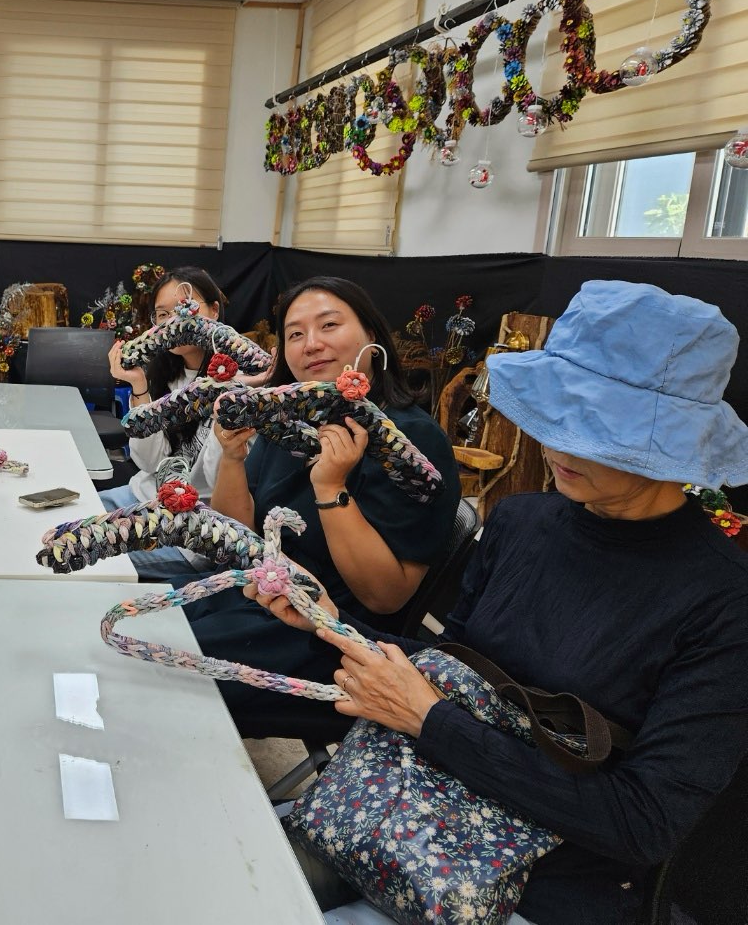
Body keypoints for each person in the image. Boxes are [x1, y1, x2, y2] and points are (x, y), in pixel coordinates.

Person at [252, 280, 748, 924]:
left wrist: (432, 722)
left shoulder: (721, 603)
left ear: (673, 441)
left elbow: (642, 824)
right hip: (411, 804)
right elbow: (455, 666)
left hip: (529, 881)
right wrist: (328, 618)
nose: (558, 446)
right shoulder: (521, 523)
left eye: (595, 427)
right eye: (556, 412)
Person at [187, 276, 461, 724]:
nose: (311, 344)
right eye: (295, 334)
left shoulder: (409, 441)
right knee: (140, 639)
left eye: (329, 325)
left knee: (156, 685)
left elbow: (384, 597)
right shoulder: (291, 419)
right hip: (258, 599)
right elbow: (235, 541)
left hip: (334, 641)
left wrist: (331, 488)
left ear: (371, 335)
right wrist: (233, 459)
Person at [101, 267, 252, 580]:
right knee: (58, 523)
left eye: (186, 308)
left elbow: (213, 479)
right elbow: (147, 461)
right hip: (140, 498)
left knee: (93, 561)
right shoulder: (163, 374)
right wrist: (139, 388)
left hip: (189, 533)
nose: (174, 322)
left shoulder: (241, 383)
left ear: (213, 311)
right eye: (162, 314)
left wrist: (221, 405)